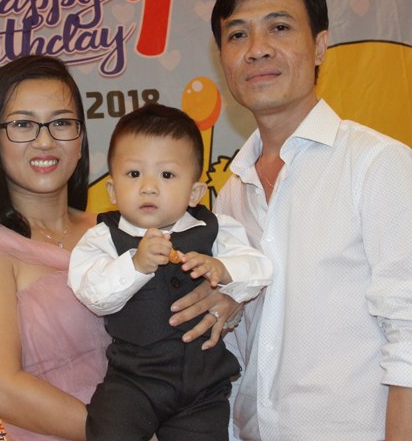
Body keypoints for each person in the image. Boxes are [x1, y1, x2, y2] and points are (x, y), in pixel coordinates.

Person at [209, 0, 412, 441]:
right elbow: (235, 349)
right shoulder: (231, 195)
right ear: (223, 59)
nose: (257, 50)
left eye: (279, 28)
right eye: (237, 35)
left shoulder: (378, 165)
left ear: (320, 46)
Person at [0, 55, 237, 441]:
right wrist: (122, 431)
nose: (45, 140)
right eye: (23, 124)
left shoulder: (116, 229)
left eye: (61, 123)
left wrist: (225, 300)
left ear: (80, 139)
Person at [69, 103, 273, 441]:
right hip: (134, 382)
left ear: (194, 192)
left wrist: (223, 269)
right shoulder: (102, 238)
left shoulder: (214, 228)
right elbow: (93, 294)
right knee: (107, 429)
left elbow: (260, 267)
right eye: (134, 174)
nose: (148, 187)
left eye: (166, 175)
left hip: (202, 386)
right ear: (112, 190)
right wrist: (136, 265)